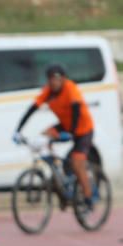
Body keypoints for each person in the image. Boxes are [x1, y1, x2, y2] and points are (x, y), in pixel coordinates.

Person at [14, 63, 95, 209]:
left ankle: (88, 197)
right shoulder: (48, 91)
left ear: (63, 79)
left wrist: (72, 133)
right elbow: (32, 109)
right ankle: (58, 174)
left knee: (77, 162)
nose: (54, 82)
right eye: (51, 79)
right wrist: (18, 130)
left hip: (83, 128)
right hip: (65, 124)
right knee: (43, 137)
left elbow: (76, 109)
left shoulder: (70, 88)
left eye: (57, 79)